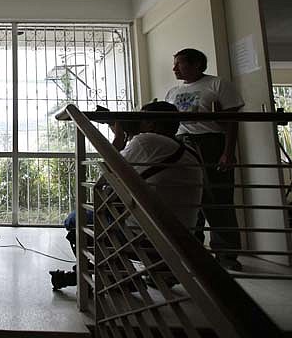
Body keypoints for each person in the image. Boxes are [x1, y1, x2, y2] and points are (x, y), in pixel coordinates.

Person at [49, 101, 203, 290]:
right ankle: (123, 274)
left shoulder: (147, 141)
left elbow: (105, 179)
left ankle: (120, 277)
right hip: (178, 242)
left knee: (74, 220)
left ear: (151, 124)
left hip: (146, 240)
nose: (136, 120)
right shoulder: (187, 150)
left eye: (141, 117)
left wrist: (119, 139)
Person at [165, 48, 245, 271]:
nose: (174, 68)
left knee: (218, 198)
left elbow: (232, 121)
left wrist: (228, 152)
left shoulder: (217, 84)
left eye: (179, 64)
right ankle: (193, 251)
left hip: (210, 143)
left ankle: (227, 255)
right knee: (190, 199)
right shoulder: (172, 92)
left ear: (197, 64)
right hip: (182, 143)